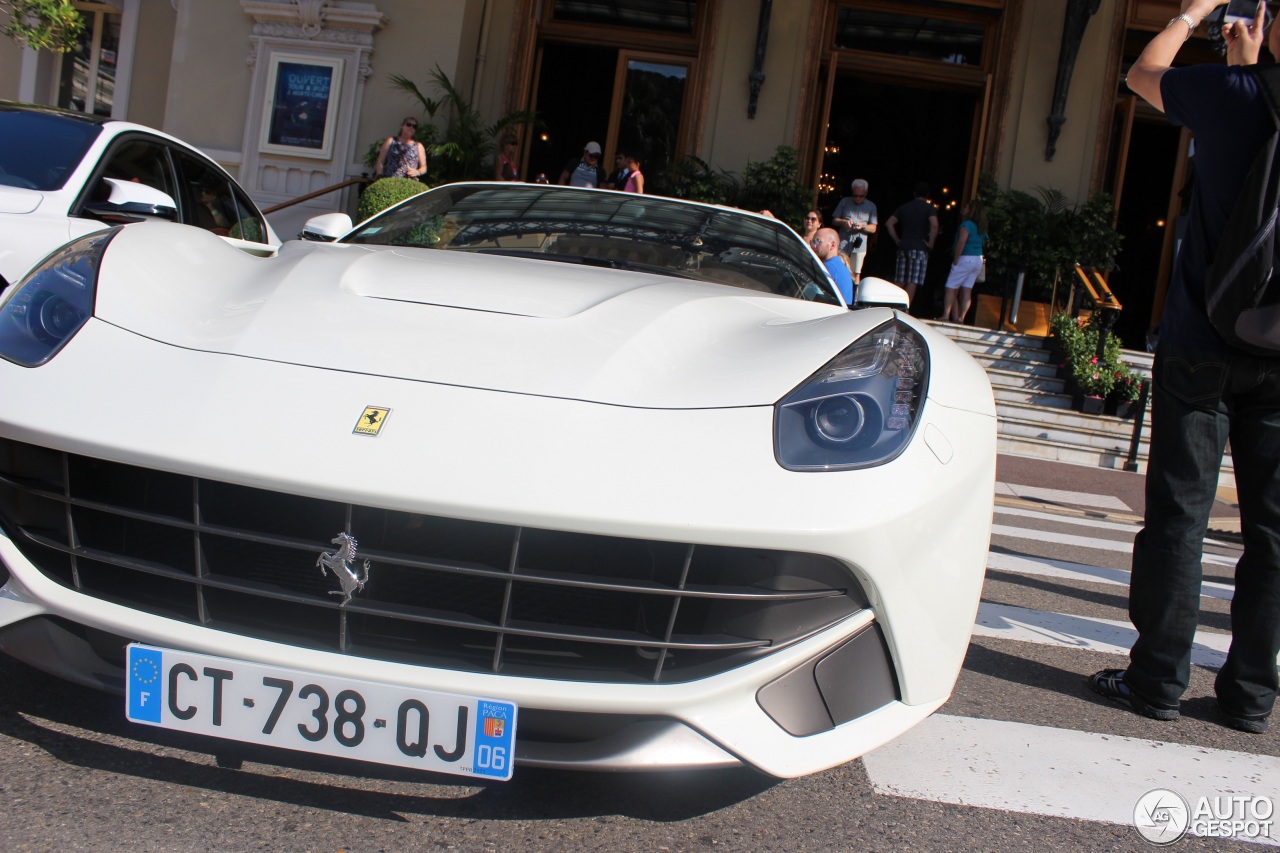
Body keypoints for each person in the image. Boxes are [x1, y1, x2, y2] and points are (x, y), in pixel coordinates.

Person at [1087, 0, 1280, 736]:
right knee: (1273, 532)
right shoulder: (1243, 94)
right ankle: (1251, 696)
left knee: (1180, 515)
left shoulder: (1233, 97)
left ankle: (1158, 678)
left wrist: (1193, 13)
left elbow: (1143, 74)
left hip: (1203, 340)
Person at [884, 182, 938, 306]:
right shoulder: (929, 208)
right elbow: (934, 224)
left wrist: (897, 239)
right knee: (912, 280)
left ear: (914, 193)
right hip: (919, 247)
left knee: (900, 279)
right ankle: (905, 308)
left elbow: (889, 223)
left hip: (903, 246)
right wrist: (930, 243)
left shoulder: (904, 207)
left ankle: (892, 305)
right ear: (927, 195)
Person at [941, 199, 987, 323]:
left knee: (950, 287)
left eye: (966, 207)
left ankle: (946, 315)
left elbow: (962, 242)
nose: (963, 209)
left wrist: (956, 258)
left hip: (965, 258)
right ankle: (961, 317)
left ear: (971, 210)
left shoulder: (966, 225)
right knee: (967, 290)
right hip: (978, 259)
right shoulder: (981, 227)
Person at [832, 179, 878, 286]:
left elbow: (874, 228)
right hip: (843, 242)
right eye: (855, 195)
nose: (858, 198)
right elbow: (834, 220)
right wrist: (844, 222)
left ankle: (853, 297)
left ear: (866, 193)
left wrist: (862, 227)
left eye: (861, 196)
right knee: (838, 268)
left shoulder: (871, 206)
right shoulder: (844, 202)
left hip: (859, 245)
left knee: (856, 273)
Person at [811, 227, 854, 305]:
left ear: (832, 245)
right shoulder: (838, 265)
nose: (814, 246)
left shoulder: (829, 267)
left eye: (818, 241)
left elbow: (812, 296)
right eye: (812, 242)